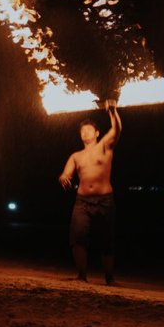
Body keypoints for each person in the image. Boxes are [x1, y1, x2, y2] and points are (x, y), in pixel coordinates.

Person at [59, 99, 121, 285]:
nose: (85, 132)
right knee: (77, 237)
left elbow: (116, 129)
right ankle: (81, 276)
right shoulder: (76, 156)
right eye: (82, 130)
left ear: (97, 133)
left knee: (107, 240)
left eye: (88, 129)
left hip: (105, 200)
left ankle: (109, 279)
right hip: (83, 202)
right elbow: (65, 173)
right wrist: (64, 178)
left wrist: (112, 112)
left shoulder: (105, 146)